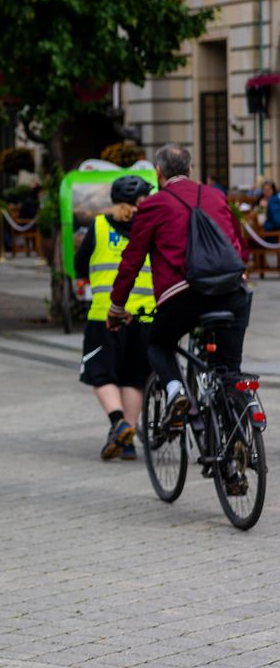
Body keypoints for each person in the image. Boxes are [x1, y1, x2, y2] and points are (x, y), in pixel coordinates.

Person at [109, 144, 250, 431]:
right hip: (233, 293)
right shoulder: (216, 196)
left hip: (184, 296)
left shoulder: (152, 205)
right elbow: (241, 249)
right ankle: (238, 445)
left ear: (158, 173)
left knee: (159, 344)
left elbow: (131, 262)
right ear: (190, 169)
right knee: (229, 371)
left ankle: (176, 391)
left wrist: (116, 306)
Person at [76, 176, 155, 461]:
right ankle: (129, 441)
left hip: (106, 314)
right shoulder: (152, 228)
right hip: (146, 316)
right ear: (141, 201)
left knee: (101, 371)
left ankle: (118, 422)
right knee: (134, 377)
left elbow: (79, 265)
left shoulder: (98, 225)